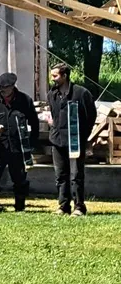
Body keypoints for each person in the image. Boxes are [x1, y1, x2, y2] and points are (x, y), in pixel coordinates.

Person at [0, 72, 38, 213]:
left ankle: (20, 206)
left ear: (12, 86)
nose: (1, 90)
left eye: (4, 87)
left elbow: (34, 123)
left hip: (18, 148)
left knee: (19, 178)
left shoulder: (25, 100)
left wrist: (31, 144)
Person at [47, 63, 96, 216]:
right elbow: (54, 115)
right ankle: (63, 206)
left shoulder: (81, 93)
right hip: (57, 140)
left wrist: (83, 135)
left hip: (75, 141)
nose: (52, 79)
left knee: (76, 175)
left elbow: (91, 116)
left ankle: (79, 207)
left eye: (55, 76)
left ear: (64, 76)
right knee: (60, 175)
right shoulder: (52, 94)